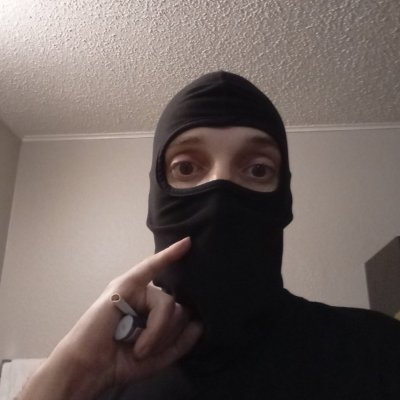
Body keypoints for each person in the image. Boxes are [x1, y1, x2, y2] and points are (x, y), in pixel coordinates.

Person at [18, 71, 400, 400]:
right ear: (157, 201)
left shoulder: (377, 350)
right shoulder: (100, 380)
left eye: (257, 169)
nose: (220, 195)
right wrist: (70, 370)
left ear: (283, 198)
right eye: (186, 167)